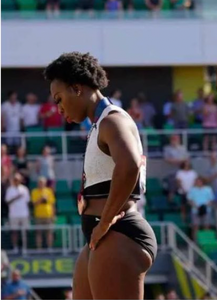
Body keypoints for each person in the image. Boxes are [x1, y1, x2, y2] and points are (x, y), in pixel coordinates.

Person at [43, 52, 156, 299]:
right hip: (100, 235)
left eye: (59, 99)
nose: (59, 109)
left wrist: (104, 222)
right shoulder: (99, 124)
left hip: (117, 232)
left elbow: (129, 166)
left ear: (77, 88)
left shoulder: (112, 120)